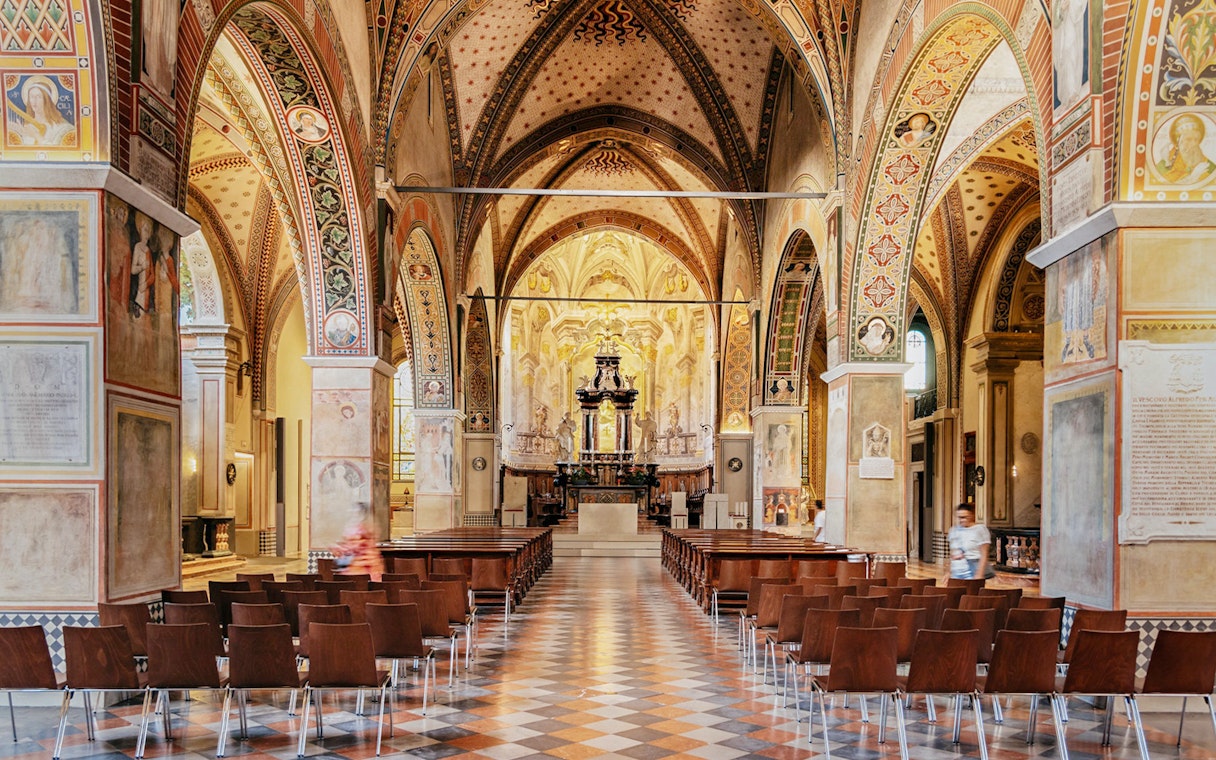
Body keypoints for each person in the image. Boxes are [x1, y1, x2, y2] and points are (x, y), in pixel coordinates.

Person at [333, 502, 384, 581]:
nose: (353, 514)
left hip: (364, 565)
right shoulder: (352, 527)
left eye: (355, 512)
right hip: (355, 565)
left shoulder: (366, 528)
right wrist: (340, 548)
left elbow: (358, 546)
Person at [948, 503, 992, 580]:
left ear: (971, 515)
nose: (962, 520)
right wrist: (948, 572)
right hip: (956, 571)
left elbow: (984, 554)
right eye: (959, 517)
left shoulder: (980, 530)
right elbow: (952, 553)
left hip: (972, 571)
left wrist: (979, 574)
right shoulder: (953, 530)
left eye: (964, 517)